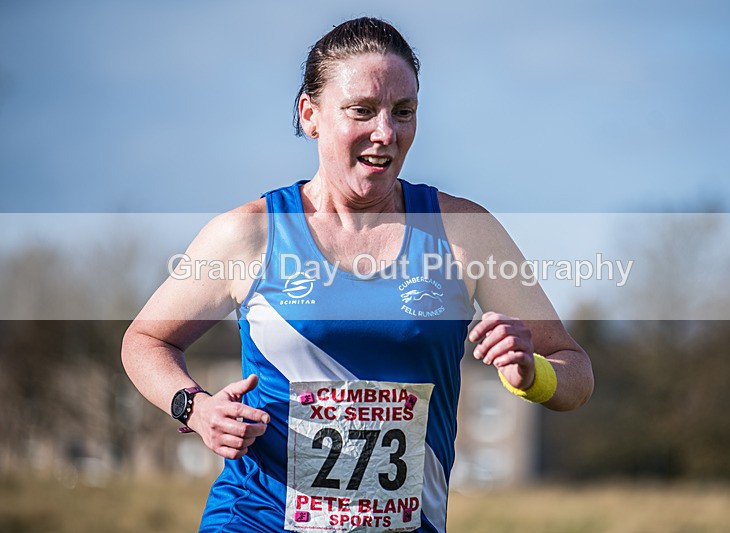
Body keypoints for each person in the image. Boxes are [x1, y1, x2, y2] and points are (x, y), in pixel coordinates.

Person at [122, 16, 593, 533]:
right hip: (257, 518)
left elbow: (575, 373)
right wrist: (195, 408)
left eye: (403, 112)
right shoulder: (250, 233)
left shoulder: (463, 232)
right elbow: (145, 341)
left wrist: (531, 374)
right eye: (362, 111)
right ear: (310, 115)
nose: (385, 133)